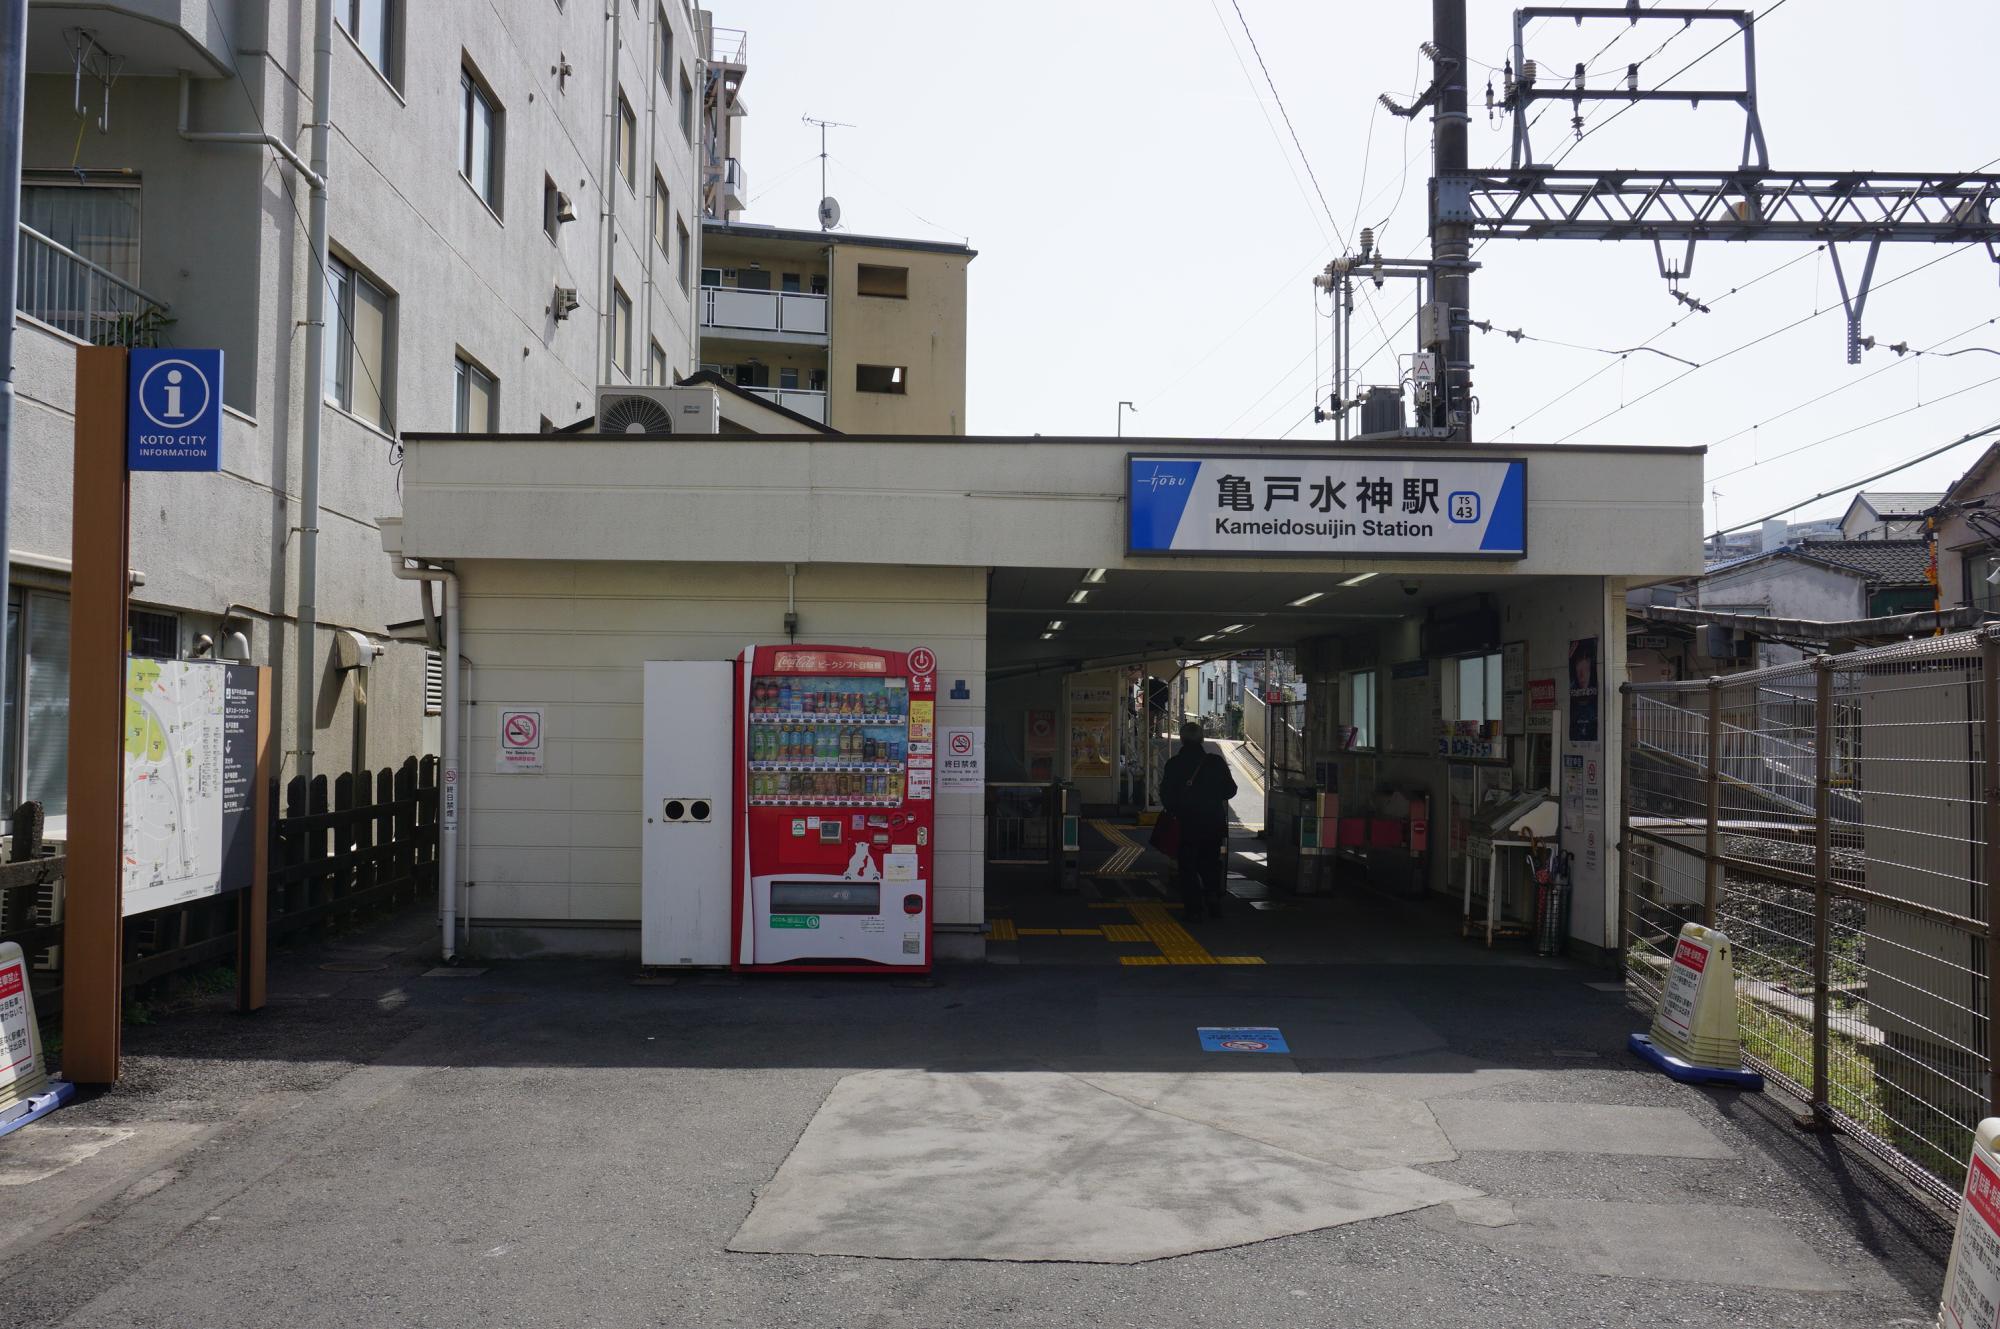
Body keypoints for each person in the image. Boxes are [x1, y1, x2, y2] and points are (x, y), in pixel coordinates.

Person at [1162, 722, 1237, 919]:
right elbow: (1231, 790)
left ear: (1182, 739)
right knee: (1210, 861)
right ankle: (1212, 895)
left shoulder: (1174, 764)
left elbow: (1166, 796)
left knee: (1187, 865)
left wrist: (1178, 807)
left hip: (1186, 824)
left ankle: (1194, 908)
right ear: (1202, 739)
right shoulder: (1216, 762)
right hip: (1213, 823)